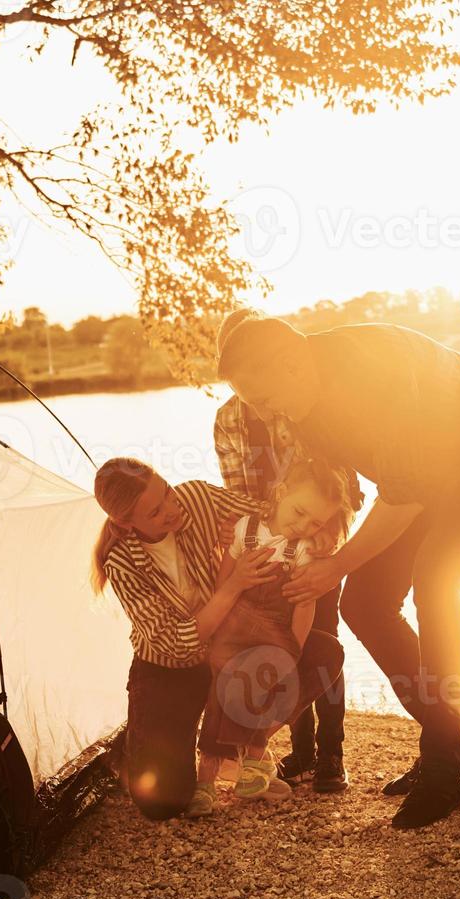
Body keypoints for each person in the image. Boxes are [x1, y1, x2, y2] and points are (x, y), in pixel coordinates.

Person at [218, 316, 460, 829]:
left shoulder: (368, 375)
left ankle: (442, 767)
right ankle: (454, 743)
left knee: (437, 585)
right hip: (425, 475)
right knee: (363, 603)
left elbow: (404, 493)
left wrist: (339, 562)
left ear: (292, 364)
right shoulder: (302, 405)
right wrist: (320, 533)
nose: (266, 414)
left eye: (266, 400)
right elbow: (338, 485)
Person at [91, 456, 345, 821]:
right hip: (170, 667)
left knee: (323, 654)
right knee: (162, 801)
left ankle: (233, 748)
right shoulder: (121, 563)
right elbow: (179, 643)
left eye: (166, 493)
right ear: (125, 522)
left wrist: (319, 534)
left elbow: (270, 512)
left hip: (232, 651)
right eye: (155, 512)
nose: (171, 509)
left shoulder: (195, 498)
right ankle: (145, 741)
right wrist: (235, 583)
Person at [213, 310, 363, 793]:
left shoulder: (303, 406)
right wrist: (266, 528)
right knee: (277, 642)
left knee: (322, 635)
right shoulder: (226, 420)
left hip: (318, 537)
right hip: (268, 537)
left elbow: (341, 482)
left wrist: (321, 537)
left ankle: (331, 756)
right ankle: (298, 751)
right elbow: (235, 489)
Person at [189, 456, 358, 817]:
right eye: (298, 512)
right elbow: (225, 579)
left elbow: (304, 605)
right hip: (235, 624)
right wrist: (219, 631)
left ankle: (252, 761)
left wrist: (292, 652)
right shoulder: (244, 531)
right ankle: (206, 779)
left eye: (315, 522)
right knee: (224, 685)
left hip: (275, 631)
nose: (302, 526)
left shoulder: (305, 550)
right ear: (281, 493)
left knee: (268, 681)